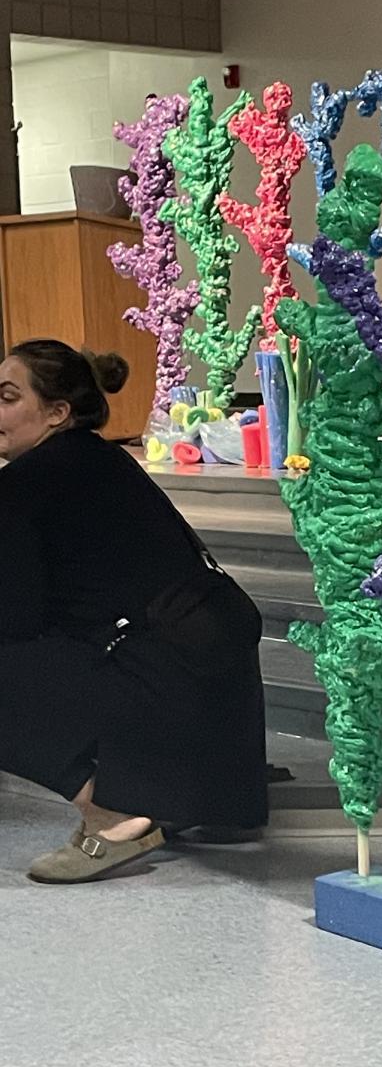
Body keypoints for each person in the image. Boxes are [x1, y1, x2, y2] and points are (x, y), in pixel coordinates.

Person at [0, 340, 267, 883]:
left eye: (7, 398)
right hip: (213, 691)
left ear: (57, 412)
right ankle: (166, 793)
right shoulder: (104, 458)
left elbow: (17, 618)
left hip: (159, 680)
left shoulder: (26, 482)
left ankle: (111, 815)